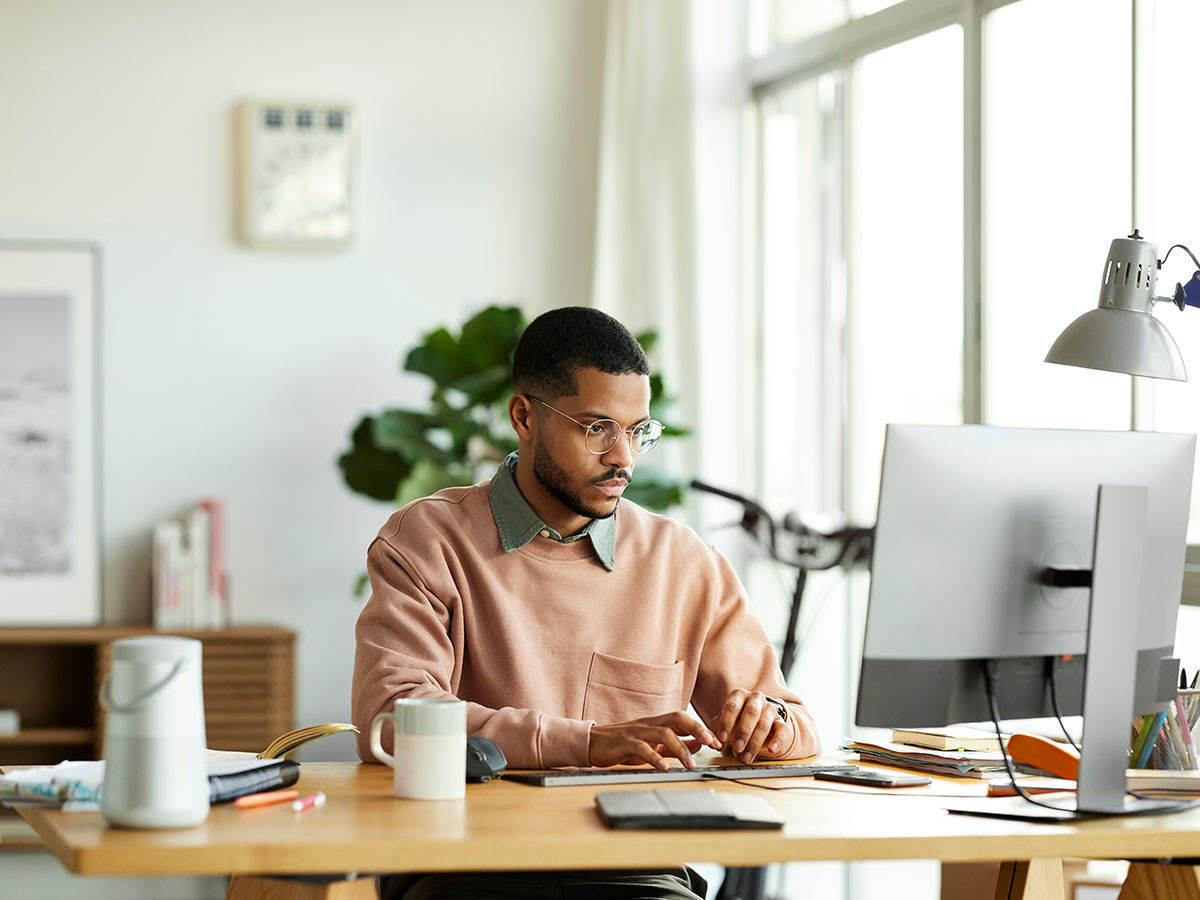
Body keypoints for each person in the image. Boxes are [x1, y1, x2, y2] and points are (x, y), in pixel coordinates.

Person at [352, 306, 820, 900]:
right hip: (465, 869)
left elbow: (797, 723)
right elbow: (393, 720)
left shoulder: (682, 562)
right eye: (597, 427)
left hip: (638, 877)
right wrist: (589, 743)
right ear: (524, 416)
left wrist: (770, 728)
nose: (623, 457)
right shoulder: (428, 541)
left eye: (637, 430)